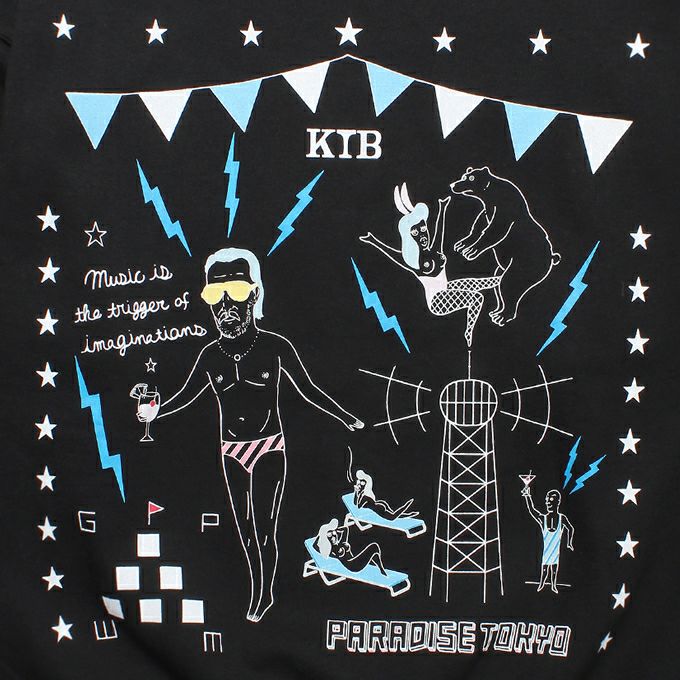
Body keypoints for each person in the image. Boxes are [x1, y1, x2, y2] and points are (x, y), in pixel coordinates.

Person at [137, 247, 363, 622]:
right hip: (231, 451)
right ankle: (259, 585)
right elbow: (185, 396)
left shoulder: (275, 347)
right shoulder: (210, 356)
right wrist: (155, 412)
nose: (226, 305)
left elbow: (308, 389)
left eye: (236, 292)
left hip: (269, 447)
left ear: (254, 295)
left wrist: (346, 417)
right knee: (244, 530)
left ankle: (263, 594)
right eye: (215, 295)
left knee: (264, 529)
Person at [359, 183, 501, 347]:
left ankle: (502, 279)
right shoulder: (412, 260)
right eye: (415, 232)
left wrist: (442, 208)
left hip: (446, 289)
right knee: (476, 298)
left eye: (423, 229)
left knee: (481, 283)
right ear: (409, 237)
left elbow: (439, 232)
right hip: (437, 301)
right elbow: (391, 253)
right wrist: (373, 240)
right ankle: (469, 333)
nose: (422, 234)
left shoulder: (433, 250)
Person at [522, 487, 575, 593]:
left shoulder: (562, 518)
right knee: (545, 567)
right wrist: (527, 496)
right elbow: (532, 510)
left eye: (551, 500)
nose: (548, 503)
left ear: (557, 502)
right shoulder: (543, 518)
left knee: (554, 568)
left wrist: (569, 543)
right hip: (546, 551)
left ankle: (553, 585)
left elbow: (570, 528)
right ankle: (541, 584)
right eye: (547, 501)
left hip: (555, 550)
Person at [316, 519, 387, 576]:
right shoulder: (332, 550)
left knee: (373, 549)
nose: (333, 536)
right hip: (354, 566)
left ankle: (380, 568)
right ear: (326, 540)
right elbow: (315, 546)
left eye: (333, 533)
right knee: (374, 547)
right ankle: (381, 569)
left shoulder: (340, 542)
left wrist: (335, 530)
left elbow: (345, 529)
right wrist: (321, 536)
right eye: (329, 535)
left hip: (354, 561)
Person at [353, 469, 419, 519]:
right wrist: (356, 492)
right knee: (393, 515)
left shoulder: (365, 495)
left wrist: (356, 492)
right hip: (379, 504)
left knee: (392, 517)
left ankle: (407, 506)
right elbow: (356, 504)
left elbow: (357, 506)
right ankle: (408, 514)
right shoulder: (364, 493)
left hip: (378, 507)